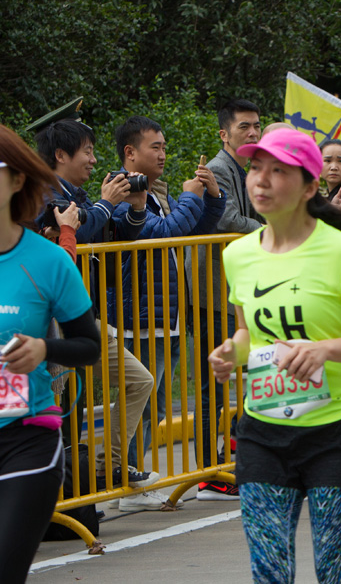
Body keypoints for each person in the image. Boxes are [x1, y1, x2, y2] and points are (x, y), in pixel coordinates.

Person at [208, 128, 341, 584]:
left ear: (310, 187)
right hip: (263, 430)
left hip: (336, 431)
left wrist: (325, 349)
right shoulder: (238, 256)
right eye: (255, 169)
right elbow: (248, 331)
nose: (261, 181)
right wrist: (230, 352)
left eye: (278, 171)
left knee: (337, 575)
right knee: (269, 574)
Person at [0, 123, 100, 582]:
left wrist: (43, 348)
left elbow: (87, 346)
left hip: (24, 440)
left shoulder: (48, 261)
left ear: (16, 180)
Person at [29, 100, 160, 499]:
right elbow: (76, 231)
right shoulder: (44, 192)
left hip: (82, 317)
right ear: (60, 155)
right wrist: (105, 204)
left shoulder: (78, 192)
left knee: (137, 381)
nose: (93, 159)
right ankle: (57, 496)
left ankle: (106, 470)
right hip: (51, 322)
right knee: (55, 408)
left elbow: (115, 234)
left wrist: (133, 208)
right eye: (87, 150)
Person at [109, 115, 226, 489]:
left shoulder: (155, 191)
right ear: (130, 152)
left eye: (164, 147)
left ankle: (133, 475)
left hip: (167, 316)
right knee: (140, 404)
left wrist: (211, 198)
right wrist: (191, 197)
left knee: (155, 406)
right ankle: (124, 478)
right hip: (140, 317)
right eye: (154, 147)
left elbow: (192, 229)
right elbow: (161, 232)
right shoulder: (119, 190)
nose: (162, 155)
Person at [186, 98, 263, 501]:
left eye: (257, 126)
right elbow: (229, 219)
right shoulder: (219, 168)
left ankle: (220, 461)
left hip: (227, 291)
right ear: (224, 134)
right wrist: (272, 229)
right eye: (244, 127)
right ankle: (207, 471)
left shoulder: (241, 169)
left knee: (229, 378)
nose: (252, 133)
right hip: (210, 292)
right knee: (212, 384)